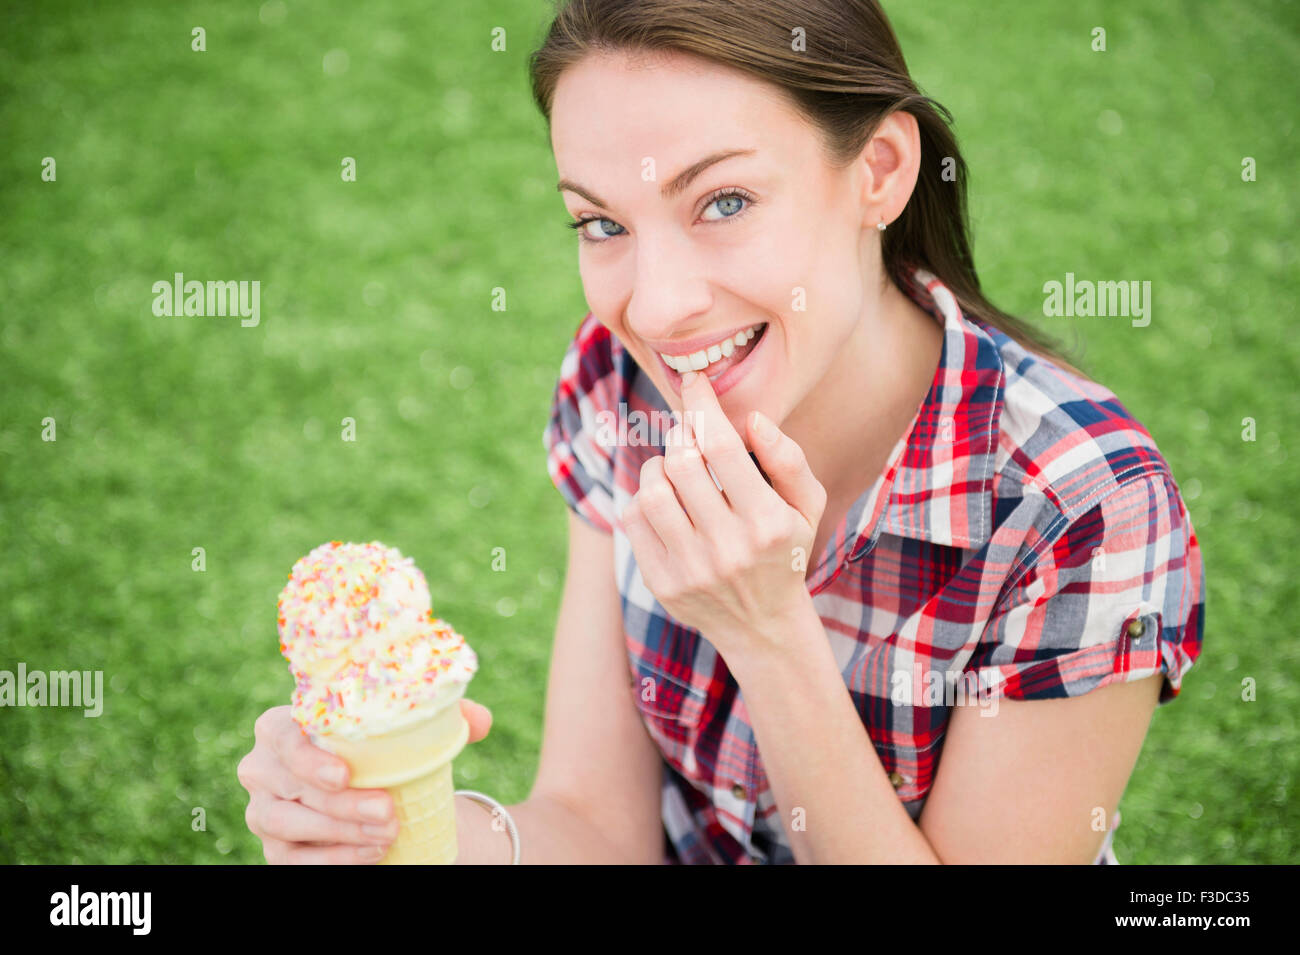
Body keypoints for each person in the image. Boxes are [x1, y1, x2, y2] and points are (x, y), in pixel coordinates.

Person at [239, 0, 1205, 864]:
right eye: (600, 223)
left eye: (725, 202)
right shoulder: (619, 387)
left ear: (880, 171)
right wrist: (408, 841)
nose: (656, 311)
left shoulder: (1082, 501)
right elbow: (596, 824)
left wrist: (767, 634)